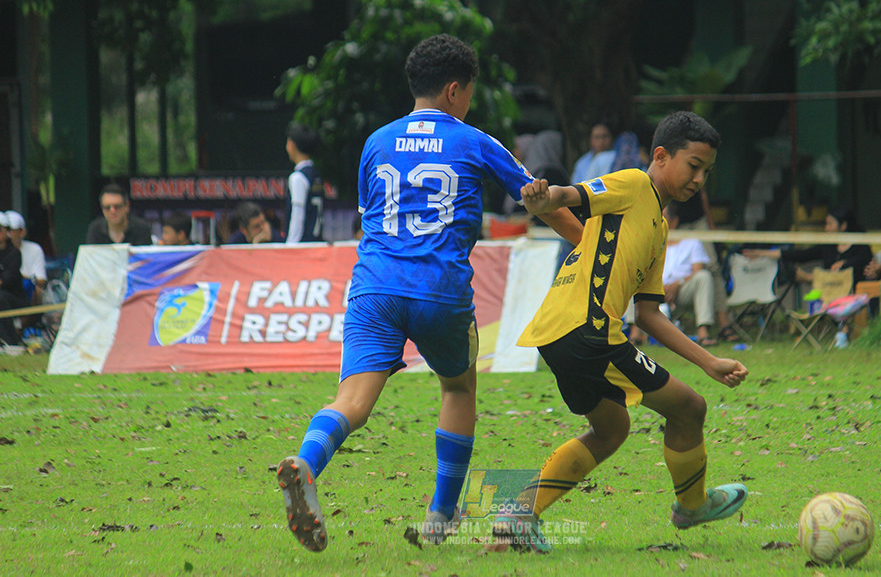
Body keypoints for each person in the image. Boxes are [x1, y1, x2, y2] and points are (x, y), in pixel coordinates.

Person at [275, 34, 582, 552]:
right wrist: (588, 241)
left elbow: (373, 215)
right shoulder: (475, 140)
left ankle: (306, 462)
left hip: (374, 287)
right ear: (455, 91)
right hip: (440, 291)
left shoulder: (376, 141)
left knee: (351, 401)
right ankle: (441, 515)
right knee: (458, 388)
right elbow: (540, 200)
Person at [491, 111, 748, 553]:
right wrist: (542, 195)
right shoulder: (632, 184)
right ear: (662, 156)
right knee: (688, 409)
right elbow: (570, 194)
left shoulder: (659, 226)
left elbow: (648, 314)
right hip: (587, 333)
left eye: (707, 171)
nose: (700, 179)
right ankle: (692, 505)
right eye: (693, 166)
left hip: (559, 334)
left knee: (611, 428)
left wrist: (709, 361)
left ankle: (517, 516)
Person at [740, 206, 873, 287]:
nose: (826, 229)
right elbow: (802, 254)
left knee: (839, 272)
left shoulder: (860, 245)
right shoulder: (829, 246)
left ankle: (810, 278)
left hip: (853, 293)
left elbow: (862, 261)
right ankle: (814, 278)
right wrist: (764, 253)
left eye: (830, 224)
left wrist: (845, 263)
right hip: (829, 292)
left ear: (843, 226)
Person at [660, 202, 735, 346]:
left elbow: (698, 270)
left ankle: (703, 332)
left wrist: (677, 284)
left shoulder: (692, 242)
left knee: (704, 276)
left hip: (682, 291)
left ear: (674, 222)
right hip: (655, 291)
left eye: (664, 219)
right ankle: (634, 335)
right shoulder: (652, 241)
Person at [285, 121, 326, 243]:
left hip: (303, 248)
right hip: (317, 243)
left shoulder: (298, 177)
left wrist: (290, 247)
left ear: (292, 145)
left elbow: (298, 216)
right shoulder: (316, 174)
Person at [86, 184, 153, 245]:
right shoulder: (95, 229)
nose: (112, 211)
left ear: (126, 206)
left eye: (117, 207)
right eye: (107, 207)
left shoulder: (141, 229)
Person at [0, 212, 29, 345]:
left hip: (16, 299)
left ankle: (10, 342)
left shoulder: (14, 253)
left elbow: (5, 281)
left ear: (7, 231)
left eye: (0, 228)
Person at [5, 210, 47, 296]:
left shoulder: (35, 249)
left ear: (22, 232)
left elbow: (41, 281)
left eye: (10, 230)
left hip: (25, 293)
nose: (6, 234)